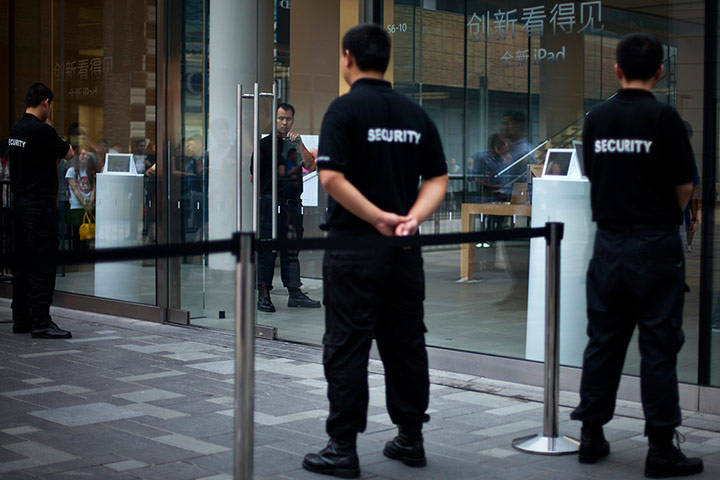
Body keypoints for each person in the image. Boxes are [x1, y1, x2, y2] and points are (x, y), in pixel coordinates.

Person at [302, 24, 448, 478]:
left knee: (347, 345)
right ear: (386, 60)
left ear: (348, 57)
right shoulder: (413, 114)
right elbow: (437, 178)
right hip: (404, 250)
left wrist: (375, 217)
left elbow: (330, 178)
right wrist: (410, 218)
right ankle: (411, 438)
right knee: (405, 343)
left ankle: (342, 448)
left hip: (353, 250)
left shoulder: (343, 111)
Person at [570, 32, 703, 478]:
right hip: (654, 245)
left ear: (617, 69)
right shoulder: (666, 119)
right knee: (658, 347)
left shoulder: (597, 119)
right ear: (661, 72)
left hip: (608, 244)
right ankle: (661, 448)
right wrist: (663, 216)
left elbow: (593, 173)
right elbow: (685, 185)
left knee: (603, 341)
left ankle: (591, 435)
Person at [8, 82, 74, 339]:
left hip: (19, 203)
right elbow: (68, 153)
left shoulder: (16, 129)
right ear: (46, 102)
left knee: (22, 263)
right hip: (39, 205)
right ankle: (41, 321)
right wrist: (52, 134)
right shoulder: (41, 131)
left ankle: (21, 318)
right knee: (43, 263)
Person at [252, 102, 320, 312]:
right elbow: (254, 177)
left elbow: (311, 166)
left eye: (288, 118)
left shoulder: (295, 144)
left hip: (292, 206)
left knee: (291, 250)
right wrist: (267, 199)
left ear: (292, 120)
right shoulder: (265, 145)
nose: (284, 122)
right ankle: (264, 294)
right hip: (271, 204)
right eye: (281, 118)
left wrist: (299, 144)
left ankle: (294, 292)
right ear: (275, 119)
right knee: (267, 250)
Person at [65, 149, 97, 250]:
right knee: (77, 234)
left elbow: (93, 187)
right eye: (83, 154)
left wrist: (91, 202)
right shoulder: (72, 170)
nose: (85, 157)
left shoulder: (91, 171)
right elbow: (75, 189)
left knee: (88, 234)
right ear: (78, 156)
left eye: (87, 155)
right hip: (77, 207)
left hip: (90, 206)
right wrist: (84, 204)